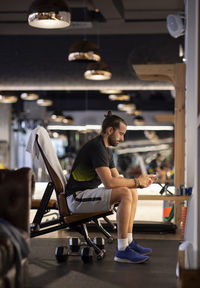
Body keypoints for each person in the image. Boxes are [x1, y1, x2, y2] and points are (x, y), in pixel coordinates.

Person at [65, 111, 157, 264]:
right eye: (120, 134)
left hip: (85, 194)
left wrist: (140, 182)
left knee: (131, 190)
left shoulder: (105, 149)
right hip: (76, 198)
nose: (122, 138)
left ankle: (128, 242)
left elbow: (117, 178)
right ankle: (121, 251)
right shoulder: (97, 147)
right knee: (124, 193)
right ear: (110, 131)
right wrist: (136, 181)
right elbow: (109, 183)